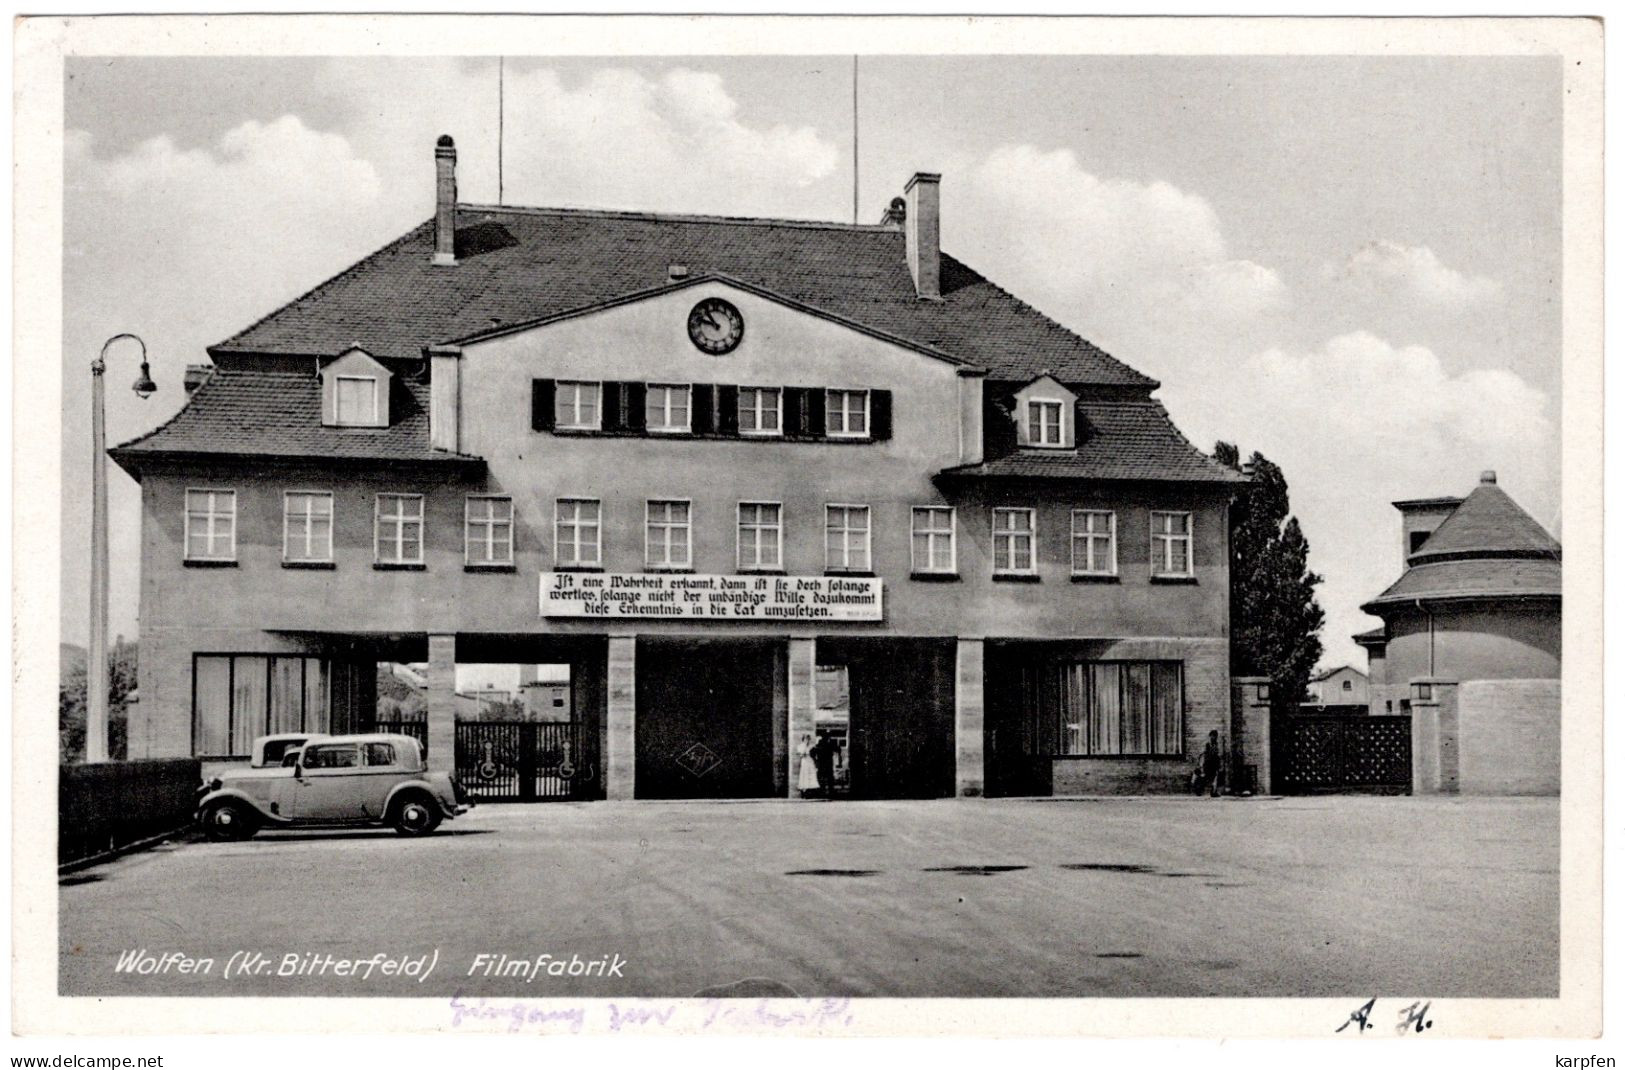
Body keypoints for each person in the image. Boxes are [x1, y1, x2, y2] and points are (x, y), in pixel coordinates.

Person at [811, 733, 840, 798]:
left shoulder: (818, 745)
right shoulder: (830, 744)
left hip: (821, 764)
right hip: (828, 763)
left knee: (821, 779)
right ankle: (831, 793)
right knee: (830, 779)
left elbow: (812, 752)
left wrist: (815, 760)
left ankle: (821, 792)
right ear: (827, 738)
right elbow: (838, 749)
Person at [1201, 730, 1224, 797]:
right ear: (1210, 736)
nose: (1214, 737)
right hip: (1209, 763)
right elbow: (1205, 754)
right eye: (1213, 736)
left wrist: (1219, 763)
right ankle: (1208, 791)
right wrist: (1203, 764)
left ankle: (1213, 791)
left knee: (1215, 777)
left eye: (1215, 736)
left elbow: (1217, 754)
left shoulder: (1215, 744)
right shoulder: (1207, 744)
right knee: (1209, 778)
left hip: (1215, 763)